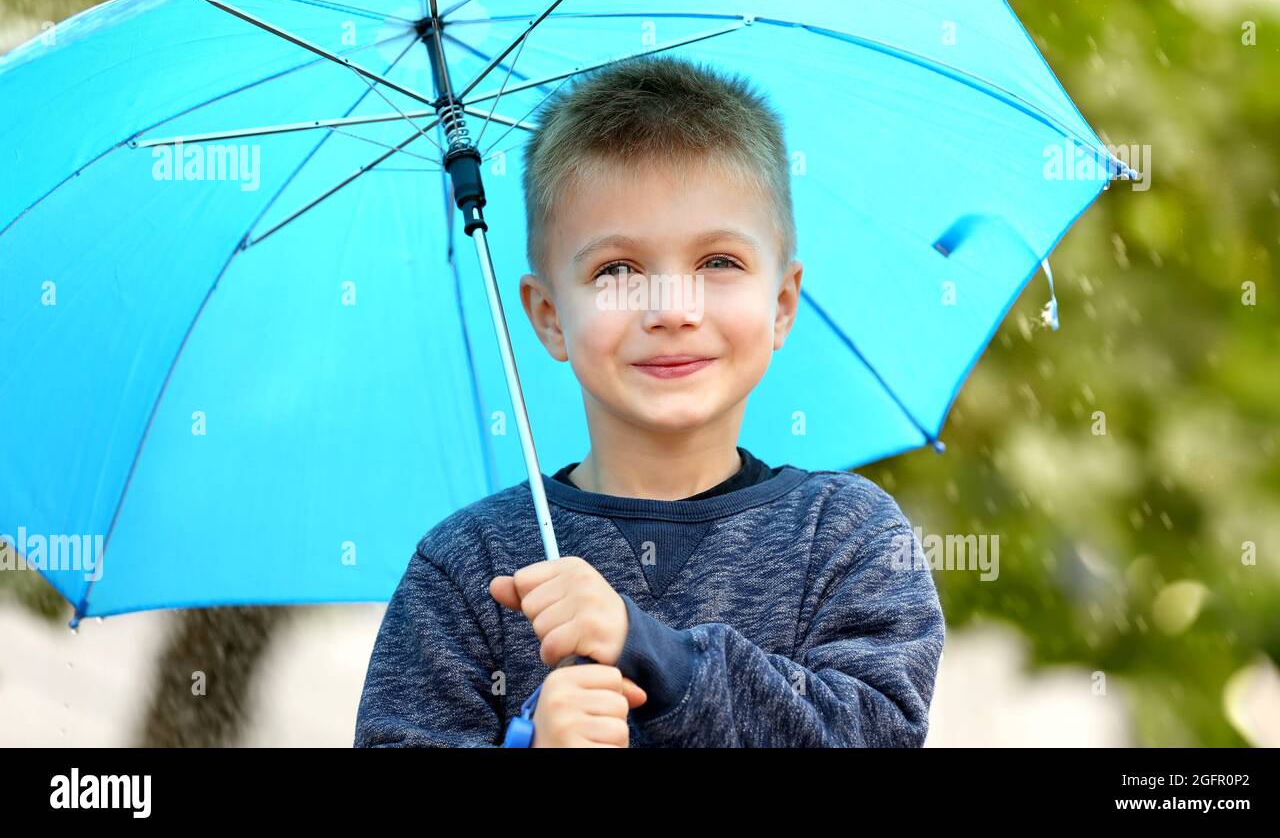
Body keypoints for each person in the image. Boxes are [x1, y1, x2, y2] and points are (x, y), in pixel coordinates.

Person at [353, 55, 945, 747]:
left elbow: (871, 734)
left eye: (718, 262)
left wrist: (653, 654)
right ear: (548, 317)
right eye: (618, 269)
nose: (671, 308)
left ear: (782, 304)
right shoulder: (469, 568)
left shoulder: (847, 539)